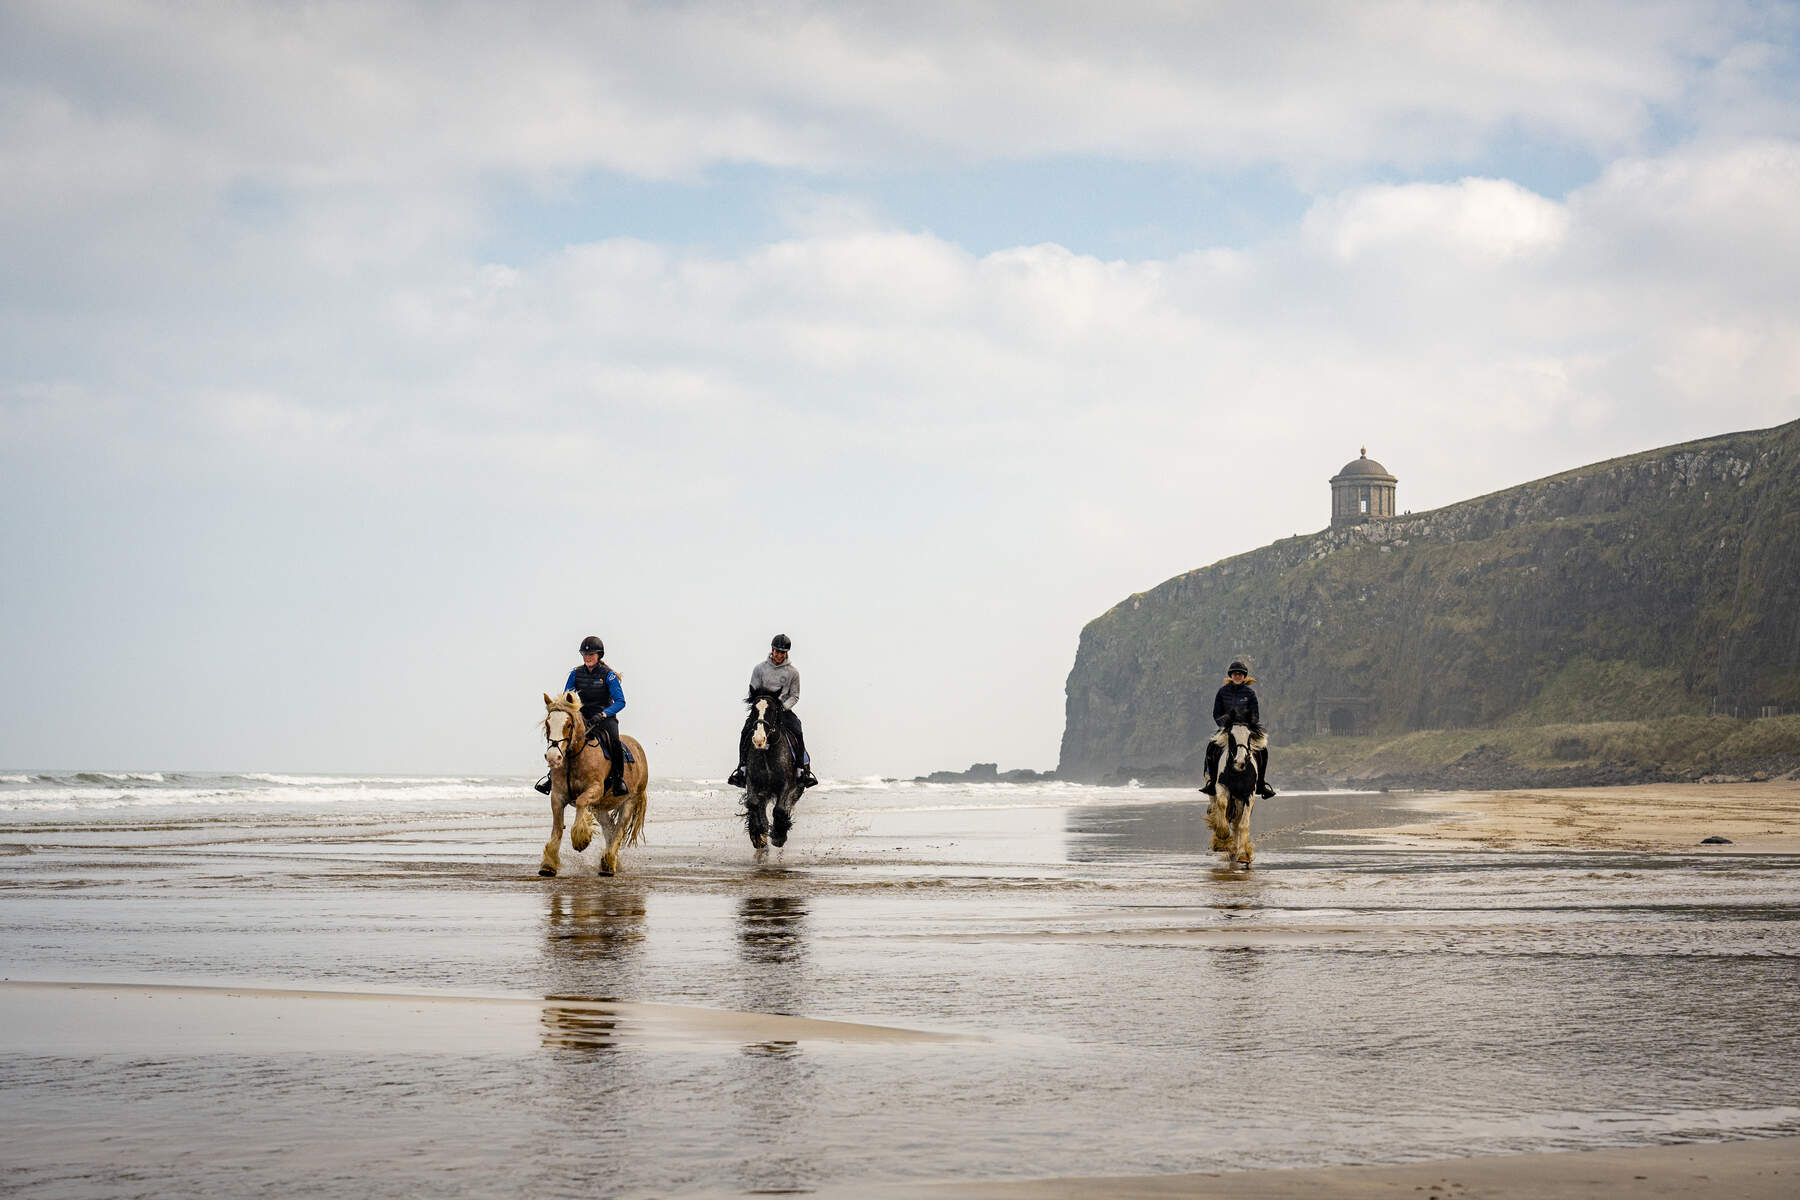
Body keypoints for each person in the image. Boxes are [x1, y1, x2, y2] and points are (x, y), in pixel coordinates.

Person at [535, 635, 629, 797]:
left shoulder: (608, 675)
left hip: (605, 716)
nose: (587, 657)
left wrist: (603, 714)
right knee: (562, 738)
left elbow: (620, 701)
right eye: (585, 655)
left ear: (599, 655)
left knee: (614, 740)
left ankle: (618, 780)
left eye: (591, 654)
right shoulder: (576, 674)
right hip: (583, 716)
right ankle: (552, 778)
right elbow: (567, 698)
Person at [727, 633, 818, 790]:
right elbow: (753, 692)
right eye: (776, 651)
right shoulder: (759, 669)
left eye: (782, 652)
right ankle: (741, 769)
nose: (779, 654)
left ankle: (801, 770)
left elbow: (795, 696)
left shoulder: (793, 673)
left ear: (786, 653)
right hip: (762, 710)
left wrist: (782, 707)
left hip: (782, 710)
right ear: (772, 650)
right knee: (745, 731)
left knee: (798, 730)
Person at [1201, 659, 1276, 798]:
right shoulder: (1222, 692)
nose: (1237, 676)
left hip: (1246, 730)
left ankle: (1260, 784)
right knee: (1211, 747)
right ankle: (1211, 784)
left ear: (1244, 676)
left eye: (1240, 674)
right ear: (1231, 675)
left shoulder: (1250, 693)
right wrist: (1226, 725)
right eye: (1235, 673)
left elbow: (1255, 715)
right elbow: (1216, 713)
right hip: (1228, 729)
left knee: (1263, 750)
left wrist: (1248, 725)